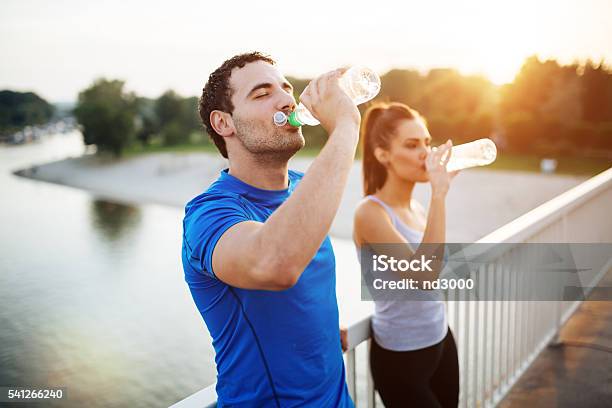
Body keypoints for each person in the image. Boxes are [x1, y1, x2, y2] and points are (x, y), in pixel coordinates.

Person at [181, 52, 359, 407]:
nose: (286, 100)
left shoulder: (302, 188)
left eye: (286, 88)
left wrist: (320, 331)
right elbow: (275, 263)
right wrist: (346, 126)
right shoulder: (208, 215)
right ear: (224, 123)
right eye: (262, 94)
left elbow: (303, 295)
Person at [352, 102, 460, 407]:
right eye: (412, 145)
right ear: (383, 154)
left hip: (440, 339)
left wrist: (435, 198)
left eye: (427, 142)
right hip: (401, 357)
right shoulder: (371, 213)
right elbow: (425, 276)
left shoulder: (416, 208)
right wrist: (439, 194)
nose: (426, 153)